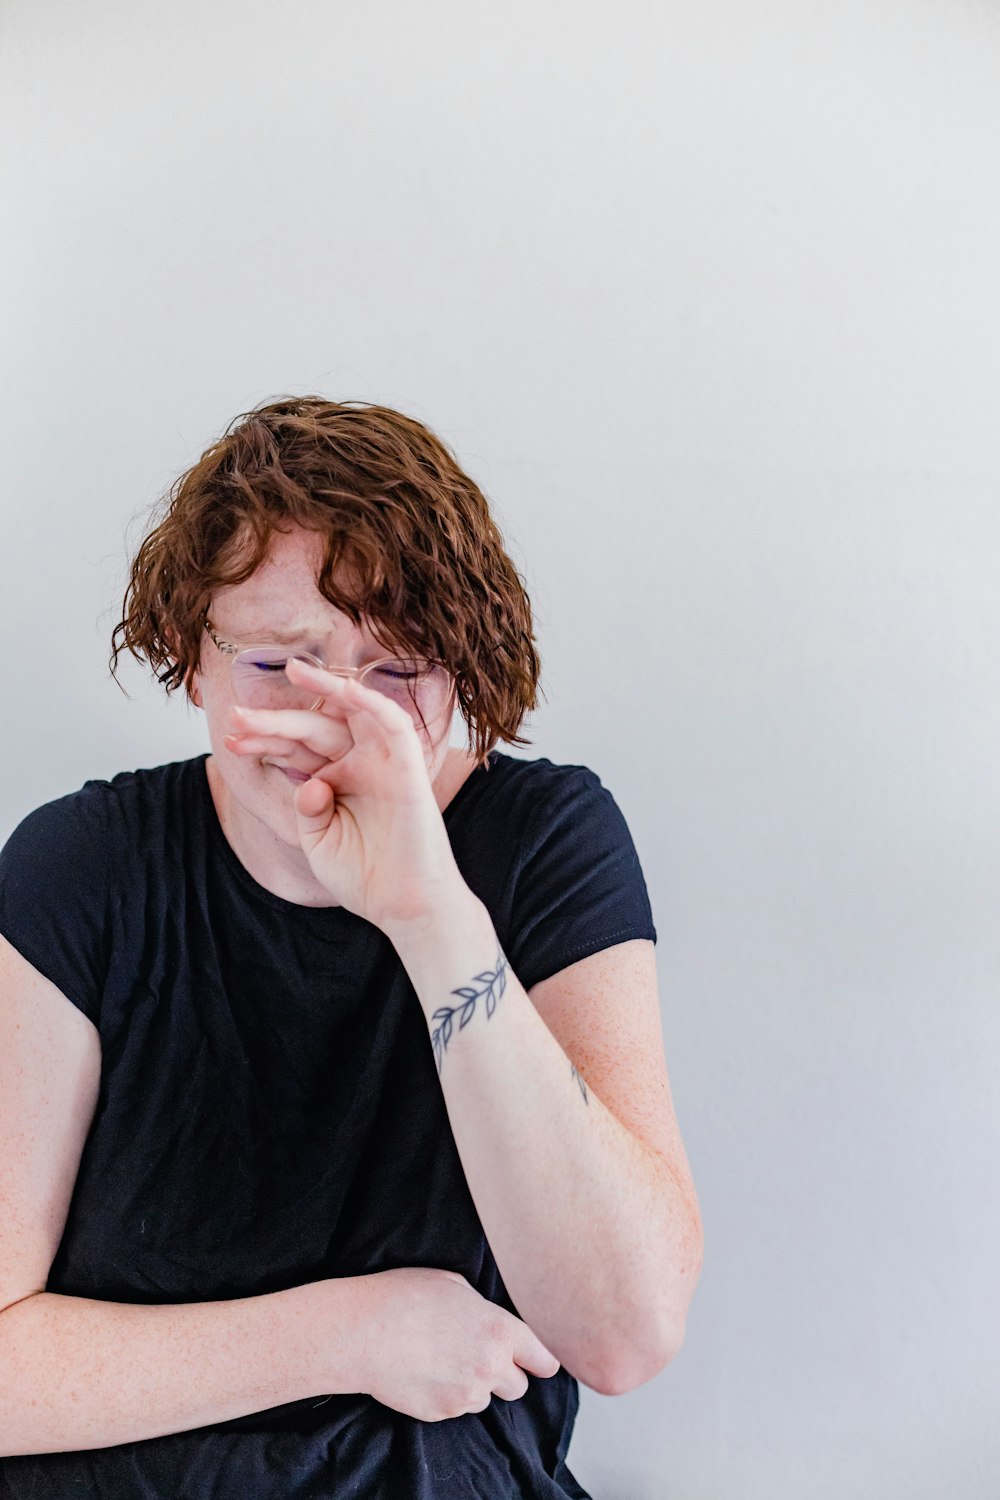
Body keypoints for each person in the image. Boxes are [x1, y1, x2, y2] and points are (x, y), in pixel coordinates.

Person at [0, 397, 703, 1498]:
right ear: (194, 657)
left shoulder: (542, 844)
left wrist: (431, 914)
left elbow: (625, 1330)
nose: (338, 719)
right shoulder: (82, 867)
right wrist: (353, 1334)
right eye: (280, 662)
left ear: (460, 671)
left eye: (397, 670)